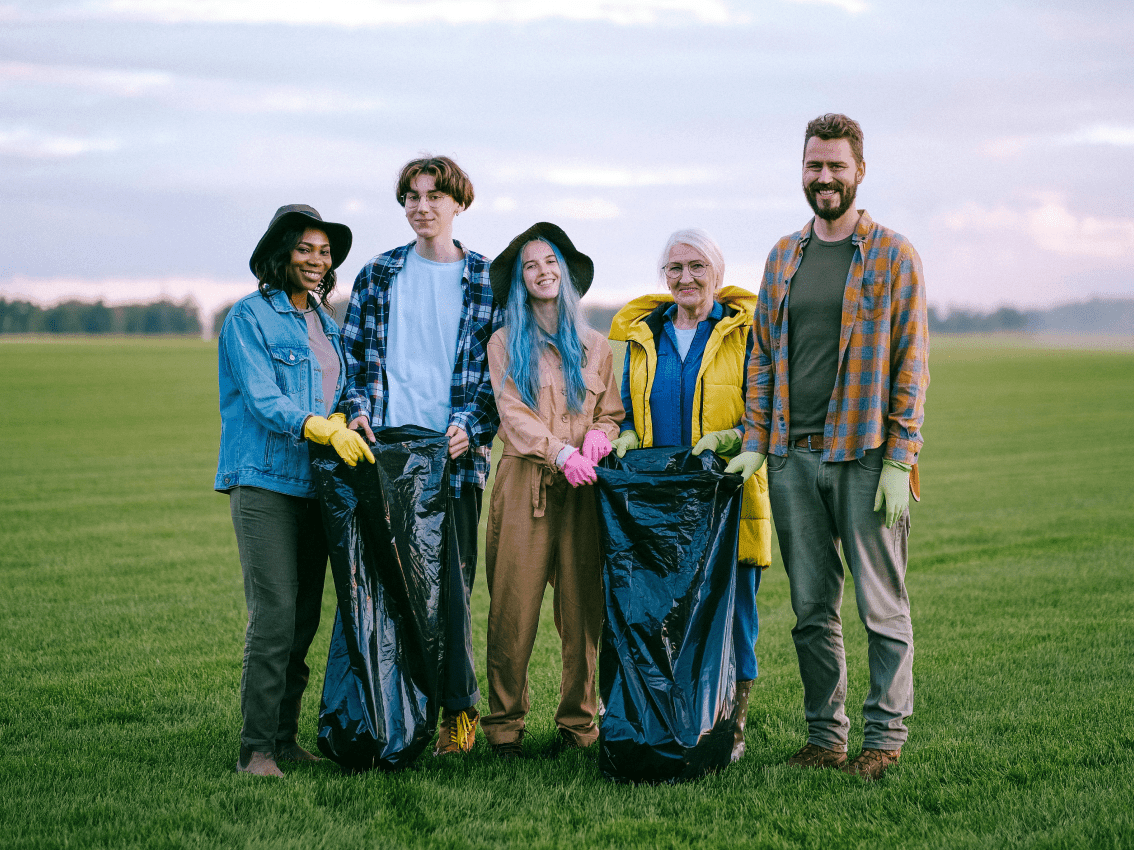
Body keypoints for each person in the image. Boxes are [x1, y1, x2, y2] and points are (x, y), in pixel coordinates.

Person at [727, 113, 930, 781]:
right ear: (803, 170)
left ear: (859, 172)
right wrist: (758, 442)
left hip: (865, 452)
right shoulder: (785, 255)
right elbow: (761, 355)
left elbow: (911, 362)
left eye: (836, 166)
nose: (824, 178)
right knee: (812, 608)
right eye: (814, 165)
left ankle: (884, 738)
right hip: (792, 456)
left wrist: (901, 457)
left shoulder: (894, 255)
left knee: (881, 606)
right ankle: (826, 738)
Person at [340, 156, 500, 756]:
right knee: (388, 587)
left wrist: (471, 427)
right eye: (411, 196)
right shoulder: (379, 274)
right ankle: (398, 711)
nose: (421, 206)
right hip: (385, 457)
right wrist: (356, 409)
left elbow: (497, 372)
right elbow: (355, 359)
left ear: (458, 202)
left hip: (453, 461)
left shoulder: (486, 278)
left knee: (451, 591)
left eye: (434, 195)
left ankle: (459, 713)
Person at [216, 204, 375, 778]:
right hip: (264, 482)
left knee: (305, 617)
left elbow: (341, 393)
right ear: (281, 253)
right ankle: (254, 749)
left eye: (325, 251)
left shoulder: (329, 324)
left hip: (318, 485)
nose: (316, 260)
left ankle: (284, 739)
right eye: (305, 249)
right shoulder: (247, 319)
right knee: (276, 615)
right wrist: (315, 425)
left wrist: (347, 422)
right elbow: (261, 398)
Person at [606, 228, 773, 762]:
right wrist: (628, 433)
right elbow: (632, 409)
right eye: (674, 268)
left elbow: (764, 410)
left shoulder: (745, 334)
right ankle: (669, 721)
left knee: (734, 612)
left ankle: (732, 723)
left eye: (697, 266)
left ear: (717, 275)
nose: (685, 278)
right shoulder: (643, 337)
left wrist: (731, 439)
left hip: (727, 495)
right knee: (663, 613)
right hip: (661, 507)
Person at [482, 222, 624, 760]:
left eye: (550, 262)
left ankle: (579, 724)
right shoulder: (502, 343)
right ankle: (504, 727)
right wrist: (558, 452)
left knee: (583, 611)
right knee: (512, 609)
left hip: (583, 491)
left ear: (564, 273)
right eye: (530, 265)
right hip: (526, 484)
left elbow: (611, 414)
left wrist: (596, 441)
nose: (542, 272)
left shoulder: (596, 345)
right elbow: (511, 414)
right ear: (520, 282)